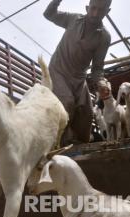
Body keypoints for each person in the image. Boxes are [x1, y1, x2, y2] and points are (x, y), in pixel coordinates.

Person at [44, 0, 112, 144]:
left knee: (87, 113)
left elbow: (97, 69)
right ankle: (58, 144)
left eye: (100, 10)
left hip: (79, 79)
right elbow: (49, 14)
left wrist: (101, 84)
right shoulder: (73, 19)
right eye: (93, 8)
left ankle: (81, 148)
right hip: (58, 71)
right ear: (87, 7)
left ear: (107, 12)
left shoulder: (104, 37)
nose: (95, 13)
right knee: (67, 102)